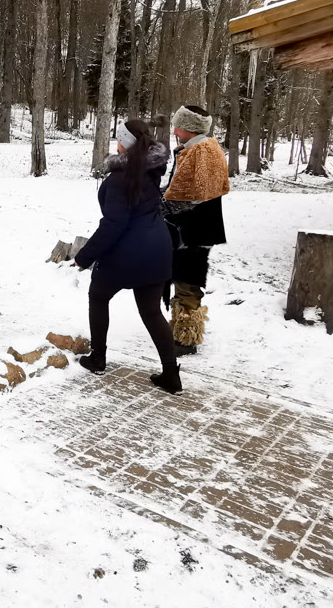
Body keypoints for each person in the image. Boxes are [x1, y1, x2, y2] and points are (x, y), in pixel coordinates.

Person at [73, 118, 182, 393]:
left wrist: (84, 257)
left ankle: (98, 358)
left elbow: (113, 224)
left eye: (118, 137)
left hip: (127, 253)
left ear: (123, 143)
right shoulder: (151, 170)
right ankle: (171, 376)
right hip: (157, 250)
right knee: (151, 312)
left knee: (98, 296)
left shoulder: (121, 178)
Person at [162, 104, 230, 356]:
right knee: (183, 277)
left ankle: (186, 339)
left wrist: (162, 207)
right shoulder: (201, 148)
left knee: (187, 281)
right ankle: (180, 330)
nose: (175, 130)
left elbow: (192, 196)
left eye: (178, 125)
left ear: (188, 128)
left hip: (194, 230)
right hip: (196, 227)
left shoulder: (200, 152)